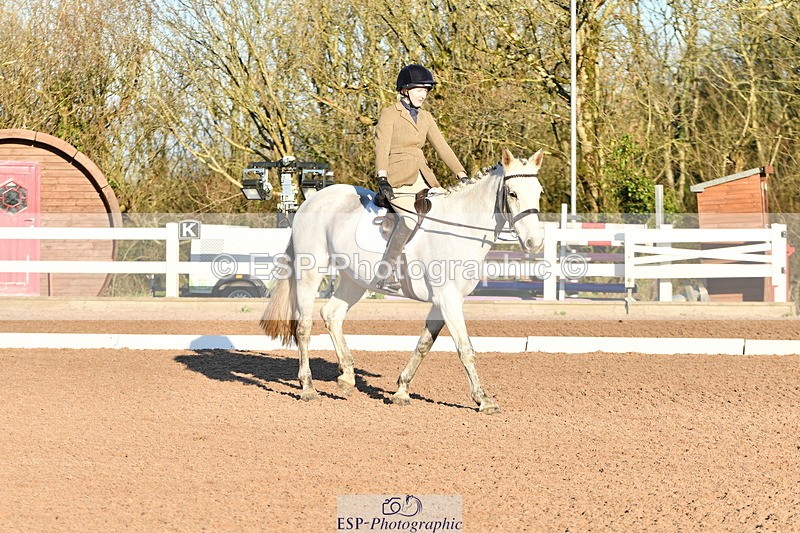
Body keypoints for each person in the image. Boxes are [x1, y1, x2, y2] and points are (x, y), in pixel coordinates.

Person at [374, 64, 468, 290]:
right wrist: (382, 177)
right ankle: (386, 272)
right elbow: (381, 146)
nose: (424, 94)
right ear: (405, 90)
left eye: (426, 90)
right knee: (408, 220)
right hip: (398, 179)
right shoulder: (389, 114)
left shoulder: (426, 117)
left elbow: (442, 147)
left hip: (425, 178)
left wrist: (462, 175)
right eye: (419, 89)